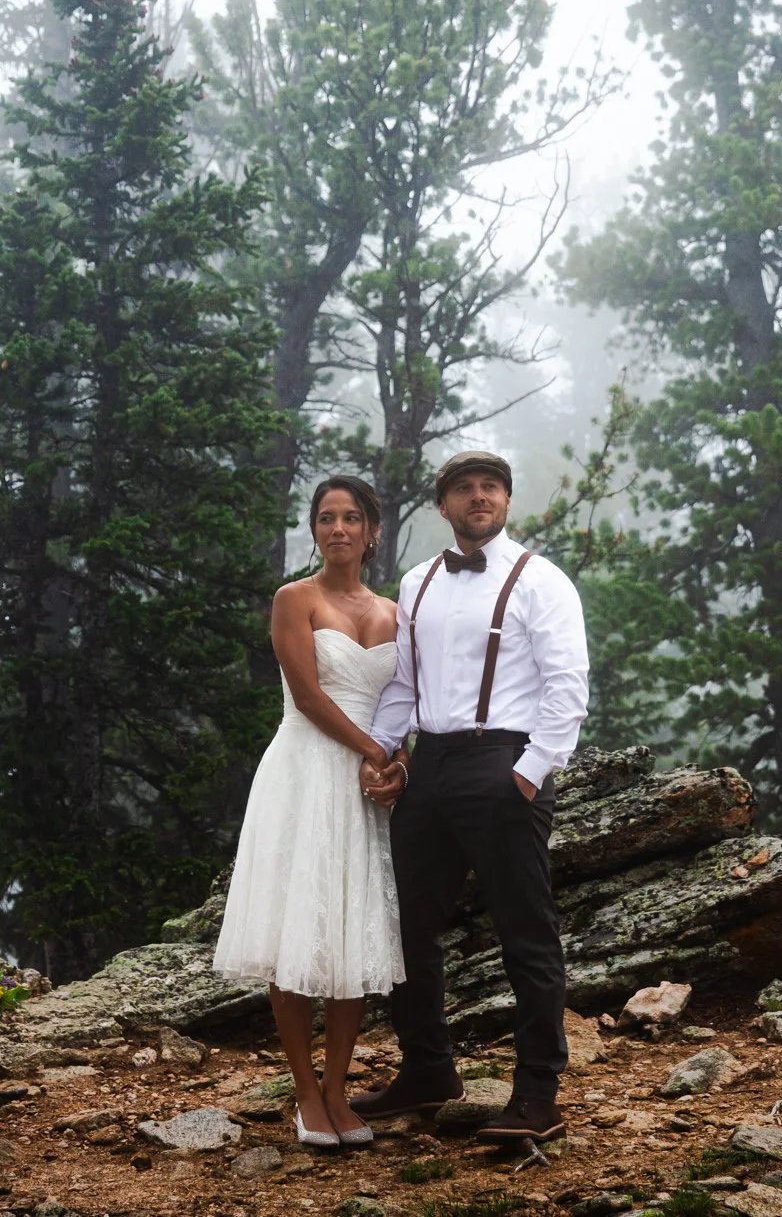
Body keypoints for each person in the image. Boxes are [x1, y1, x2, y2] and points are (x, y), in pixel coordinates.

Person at [351, 451, 590, 1145]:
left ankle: (538, 1094)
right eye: (463, 488)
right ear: (444, 506)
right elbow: (402, 684)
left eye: (489, 486)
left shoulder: (542, 581)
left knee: (526, 933)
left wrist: (530, 771)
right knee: (405, 927)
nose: (477, 497)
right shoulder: (418, 580)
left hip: (504, 762)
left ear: (506, 500)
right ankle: (428, 1069)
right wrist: (380, 751)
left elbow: (567, 686)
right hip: (430, 766)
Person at [211, 476, 406, 1149]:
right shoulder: (295, 598)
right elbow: (309, 693)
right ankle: (302, 1091)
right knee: (298, 928)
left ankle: (337, 1088)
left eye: (353, 517)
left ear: (373, 531)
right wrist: (373, 749)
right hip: (304, 769)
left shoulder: (393, 611)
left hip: (363, 780)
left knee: (353, 929)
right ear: (315, 529)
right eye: (327, 517)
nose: (339, 528)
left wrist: (396, 763)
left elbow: (402, 703)